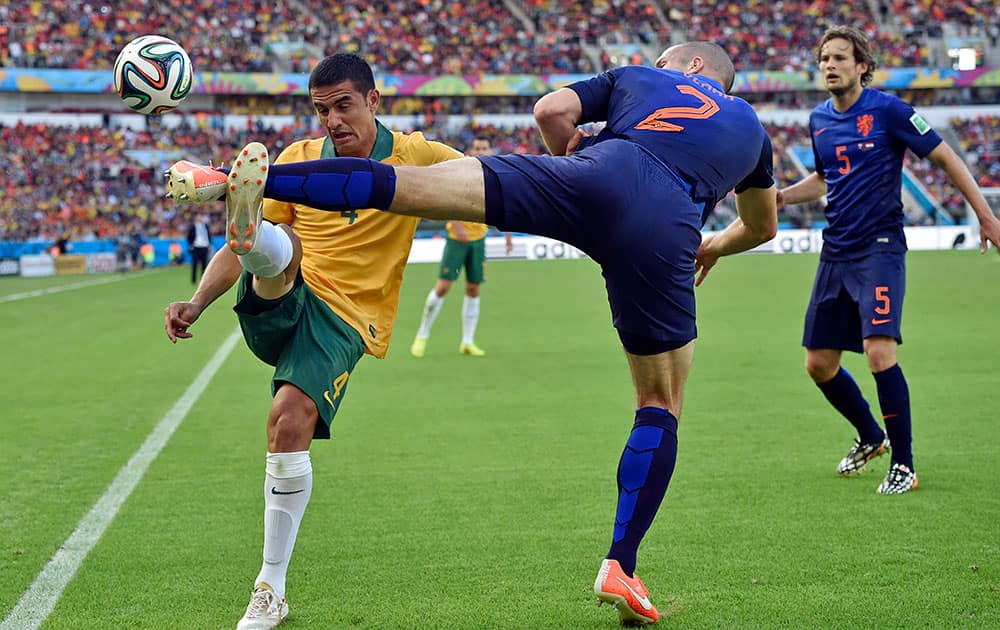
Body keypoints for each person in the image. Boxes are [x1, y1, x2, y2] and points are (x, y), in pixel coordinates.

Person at [167, 42, 778, 626]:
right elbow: (762, 225)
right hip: (666, 226)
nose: (658, 64)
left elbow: (551, 110)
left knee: (404, 189)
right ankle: (621, 564)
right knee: (658, 403)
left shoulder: (639, 79)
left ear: (691, 65)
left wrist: (570, 164)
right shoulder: (753, 132)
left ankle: (232, 179)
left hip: (590, 176)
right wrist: (714, 244)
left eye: (666, 60)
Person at [162, 53, 464, 630]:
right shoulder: (299, 159)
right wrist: (197, 301)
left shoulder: (417, 154)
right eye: (322, 109)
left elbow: (485, 179)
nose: (332, 119)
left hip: (349, 318)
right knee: (280, 245)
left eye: (344, 105)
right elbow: (228, 253)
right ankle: (255, 233)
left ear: (374, 101)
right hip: (286, 294)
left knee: (288, 419)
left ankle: (269, 590)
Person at [777, 26, 1000, 495]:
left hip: (879, 247)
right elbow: (824, 178)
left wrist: (986, 215)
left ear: (862, 66)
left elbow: (947, 159)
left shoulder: (890, 111)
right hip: (835, 249)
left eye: (840, 57)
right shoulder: (819, 119)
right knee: (818, 363)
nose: (830, 65)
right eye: (824, 59)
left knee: (879, 352)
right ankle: (871, 436)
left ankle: (904, 463)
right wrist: (782, 198)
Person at [410, 137, 513, 358]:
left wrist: (507, 235)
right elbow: (444, 200)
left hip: (478, 240)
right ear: (470, 150)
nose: (481, 150)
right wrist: (458, 225)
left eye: (485, 147)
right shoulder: (461, 169)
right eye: (478, 148)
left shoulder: (494, 175)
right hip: (457, 239)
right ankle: (422, 334)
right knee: (443, 286)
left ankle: (467, 341)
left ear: (491, 149)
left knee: (474, 289)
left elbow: (505, 205)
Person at [186, 211, 211, 283]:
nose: (200, 218)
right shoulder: (193, 227)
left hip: (204, 246)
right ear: (195, 218)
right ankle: (193, 280)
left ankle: (203, 279)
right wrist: (191, 245)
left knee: (204, 264)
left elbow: (208, 235)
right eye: (198, 216)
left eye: (201, 216)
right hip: (196, 246)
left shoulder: (205, 226)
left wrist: (208, 243)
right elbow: (189, 237)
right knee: (195, 264)